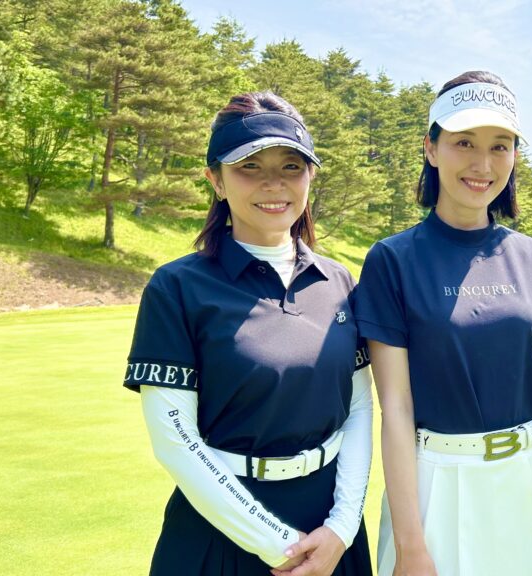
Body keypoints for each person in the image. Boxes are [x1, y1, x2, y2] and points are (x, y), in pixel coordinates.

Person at [354, 70, 532, 576]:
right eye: (464, 142)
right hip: (438, 485)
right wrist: (410, 545)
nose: (482, 164)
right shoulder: (392, 260)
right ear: (431, 148)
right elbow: (396, 408)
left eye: (499, 146)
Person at [124, 91, 374, 576]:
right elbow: (175, 438)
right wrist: (278, 544)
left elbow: (360, 407)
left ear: (310, 177)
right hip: (220, 533)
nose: (273, 184)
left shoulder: (339, 281)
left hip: (330, 533)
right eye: (249, 167)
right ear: (216, 180)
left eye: (291, 167)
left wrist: (342, 526)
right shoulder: (178, 287)